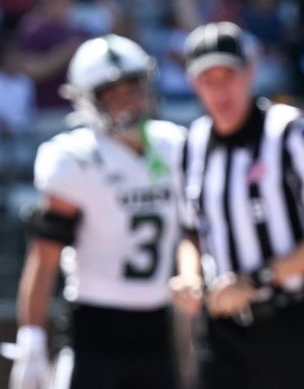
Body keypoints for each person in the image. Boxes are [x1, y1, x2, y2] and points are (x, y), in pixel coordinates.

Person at [173, 22, 304, 389]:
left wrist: (257, 279)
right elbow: (191, 231)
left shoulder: (290, 133)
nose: (220, 89)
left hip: (294, 321)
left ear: (251, 72)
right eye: (208, 79)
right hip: (223, 332)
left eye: (229, 75)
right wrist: (189, 276)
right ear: (194, 84)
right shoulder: (191, 144)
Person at [6, 35, 186, 389]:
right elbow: (44, 257)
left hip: (159, 323)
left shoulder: (175, 145)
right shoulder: (75, 159)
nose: (127, 103)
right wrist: (32, 338)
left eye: (132, 89)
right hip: (95, 325)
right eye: (112, 95)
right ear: (88, 102)